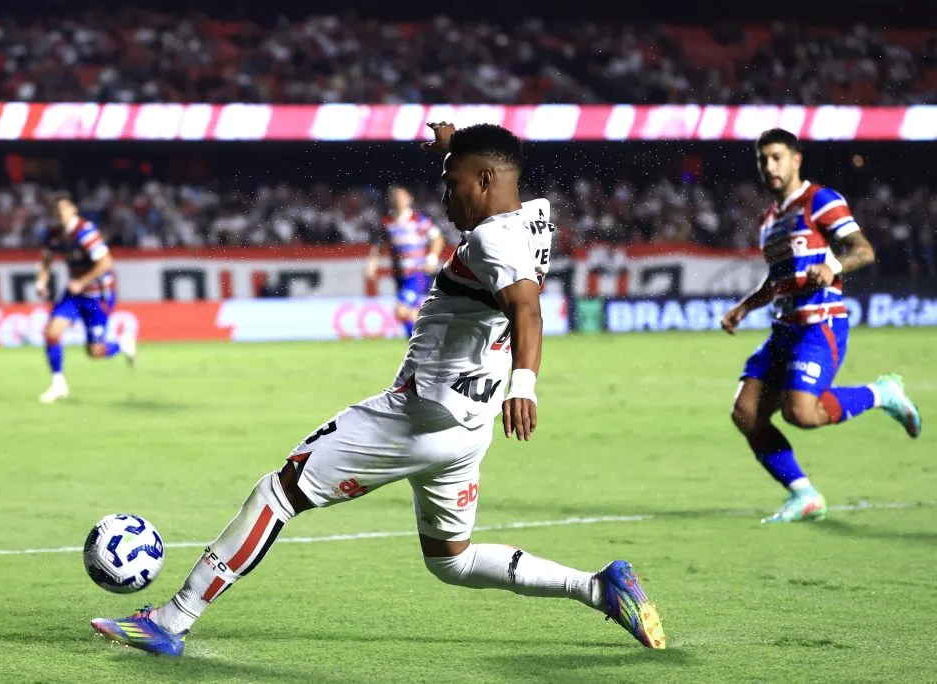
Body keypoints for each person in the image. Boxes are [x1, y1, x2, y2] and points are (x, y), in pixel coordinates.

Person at [91, 122, 666, 655]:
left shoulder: (493, 241)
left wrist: (526, 384)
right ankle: (600, 588)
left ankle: (170, 621)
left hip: (419, 416)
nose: (445, 196)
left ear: (485, 180)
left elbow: (527, 310)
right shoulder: (534, 219)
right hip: (469, 428)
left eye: (453, 183)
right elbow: (500, 206)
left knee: (278, 492)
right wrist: (454, 147)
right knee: (452, 560)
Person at [721, 128, 922, 523]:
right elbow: (778, 278)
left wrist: (833, 268)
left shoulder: (820, 201)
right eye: (763, 160)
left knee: (801, 413)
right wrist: (744, 307)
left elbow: (863, 251)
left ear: (796, 159)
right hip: (783, 330)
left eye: (777, 157)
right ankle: (805, 495)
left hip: (819, 325)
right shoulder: (768, 220)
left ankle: (882, 393)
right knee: (745, 412)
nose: (769, 166)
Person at [35, 193, 135, 403]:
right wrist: (41, 282)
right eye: (56, 211)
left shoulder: (85, 232)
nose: (60, 214)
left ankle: (123, 344)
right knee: (51, 332)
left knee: (95, 352)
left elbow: (106, 262)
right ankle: (58, 383)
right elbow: (46, 260)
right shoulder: (53, 235)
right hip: (74, 295)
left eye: (63, 209)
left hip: (98, 296)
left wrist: (82, 282)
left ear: (74, 209)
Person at [366, 184, 445, 337]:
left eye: (402, 197)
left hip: (417, 274)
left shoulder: (418, 219)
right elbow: (379, 245)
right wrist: (372, 264)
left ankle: (424, 341)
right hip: (400, 276)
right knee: (412, 313)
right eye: (396, 197)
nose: (399, 200)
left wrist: (432, 258)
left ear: (410, 199)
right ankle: (423, 342)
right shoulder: (386, 222)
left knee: (401, 311)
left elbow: (438, 238)